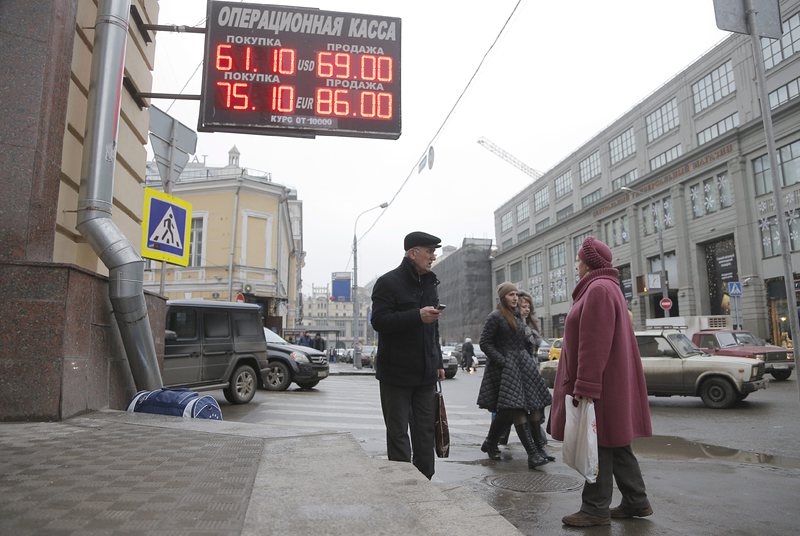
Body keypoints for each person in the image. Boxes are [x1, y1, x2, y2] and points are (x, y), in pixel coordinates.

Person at [548, 236, 653, 527]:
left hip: (603, 384)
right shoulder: (608, 288)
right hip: (611, 382)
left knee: (600, 444)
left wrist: (586, 386)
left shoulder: (597, 290)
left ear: (588, 263)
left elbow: (594, 345)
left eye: (579, 261)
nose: (577, 267)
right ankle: (636, 500)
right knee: (616, 443)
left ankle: (595, 508)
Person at [371, 231, 445, 480]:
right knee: (398, 432)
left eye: (434, 252)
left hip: (425, 373)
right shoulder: (388, 282)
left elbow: (433, 328)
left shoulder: (430, 283)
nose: (433, 257)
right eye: (429, 251)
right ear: (413, 253)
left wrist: (438, 362)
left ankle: (425, 480)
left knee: (425, 431)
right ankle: (403, 482)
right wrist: (416, 316)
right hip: (396, 374)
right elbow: (379, 321)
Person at [477, 282, 552, 469]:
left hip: (523, 366)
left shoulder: (518, 316)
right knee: (516, 409)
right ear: (503, 297)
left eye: (516, 294)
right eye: (511, 294)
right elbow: (485, 343)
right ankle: (533, 454)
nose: (515, 298)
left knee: (529, 407)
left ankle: (491, 443)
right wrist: (502, 361)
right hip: (506, 370)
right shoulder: (495, 316)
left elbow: (525, 341)